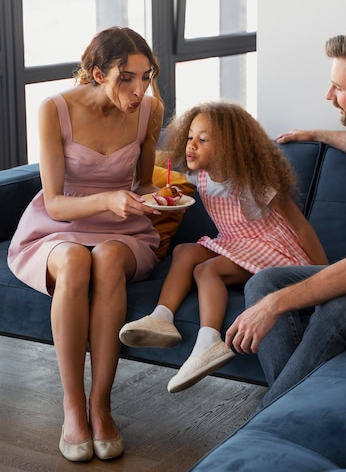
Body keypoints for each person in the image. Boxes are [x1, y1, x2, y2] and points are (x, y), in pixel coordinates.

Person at [226, 25, 346, 410]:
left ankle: (270, 417)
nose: (328, 95)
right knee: (264, 283)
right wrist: (314, 133)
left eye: (338, 88)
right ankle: (295, 409)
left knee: (339, 310)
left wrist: (277, 306)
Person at [8, 27, 164, 462]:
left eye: (146, 77)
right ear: (98, 73)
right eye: (127, 78)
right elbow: (55, 201)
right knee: (76, 261)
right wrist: (106, 200)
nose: (139, 90)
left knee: (109, 257)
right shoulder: (54, 109)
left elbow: (145, 183)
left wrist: (157, 200)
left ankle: (102, 405)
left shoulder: (150, 110)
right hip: (58, 226)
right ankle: (73, 408)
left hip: (123, 231)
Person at [119, 101, 327, 393]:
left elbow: (300, 226)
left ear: (230, 146)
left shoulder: (254, 180)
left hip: (272, 247)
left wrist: (324, 274)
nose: (191, 145)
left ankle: (209, 341)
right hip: (233, 243)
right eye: (190, 137)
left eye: (202, 140)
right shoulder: (198, 175)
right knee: (184, 251)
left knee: (207, 270)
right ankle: (161, 318)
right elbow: (162, 179)